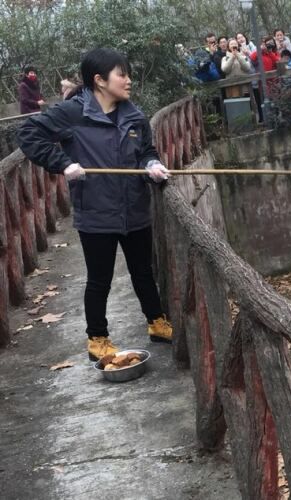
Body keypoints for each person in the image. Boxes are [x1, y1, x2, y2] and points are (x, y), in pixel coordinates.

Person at [16, 48, 173, 362]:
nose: (128, 81)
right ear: (99, 80)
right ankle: (97, 338)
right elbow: (28, 134)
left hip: (134, 208)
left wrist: (152, 164)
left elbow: (145, 151)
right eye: (122, 75)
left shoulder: (134, 115)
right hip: (96, 212)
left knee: (143, 271)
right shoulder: (72, 113)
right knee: (99, 278)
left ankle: (157, 323)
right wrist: (62, 163)